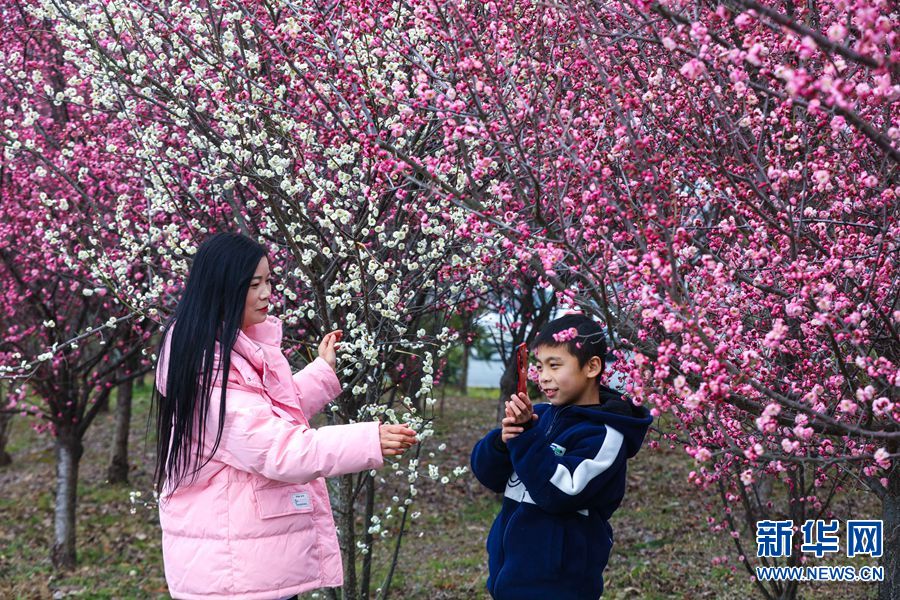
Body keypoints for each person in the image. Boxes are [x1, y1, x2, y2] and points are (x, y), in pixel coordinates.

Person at [153, 232, 417, 600]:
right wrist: (366, 439)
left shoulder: (229, 348)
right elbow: (278, 448)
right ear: (222, 289)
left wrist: (321, 374)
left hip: (245, 560)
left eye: (268, 281)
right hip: (234, 573)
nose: (266, 294)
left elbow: (263, 412)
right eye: (253, 284)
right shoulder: (207, 375)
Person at [470, 314, 652, 599]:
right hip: (510, 577)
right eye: (540, 366)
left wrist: (528, 437)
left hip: (559, 585)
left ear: (592, 367)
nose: (543, 377)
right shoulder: (539, 417)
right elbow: (489, 476)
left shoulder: (604, 436)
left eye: (555, 365)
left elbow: (560, 492)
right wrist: (502, 443)